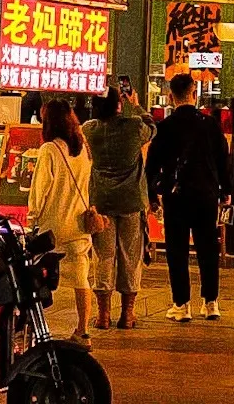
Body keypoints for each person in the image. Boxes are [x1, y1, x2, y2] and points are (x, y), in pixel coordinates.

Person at [146, 72, 230, 323]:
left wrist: (152, 195)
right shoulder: (210, 125)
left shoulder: (165, 127)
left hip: (176, 195)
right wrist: (226, 191)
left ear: (171, 96)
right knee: (207, 247)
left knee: (177, 250)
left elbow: (152, 165)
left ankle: (181, 304)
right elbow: (223, 161)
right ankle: (211, 302)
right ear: (194, 93)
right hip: (206, 193)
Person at [83, 85, 157, 330]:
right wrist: (135, 104)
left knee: (103, 256)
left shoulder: (90, 129)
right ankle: (127, 314)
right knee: (130, 256)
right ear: (118, 104)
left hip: (101, 201)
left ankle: (103, 315)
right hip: (131, 201)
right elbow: (152, 127)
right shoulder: (133, 127)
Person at [28, 99, 94, 345]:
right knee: (81, 278)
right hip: (79, 224)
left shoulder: (49, 151)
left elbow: (39, 191)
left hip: (52, 228)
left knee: (37, 280)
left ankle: (38, 331)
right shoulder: (82, 147)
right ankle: (83, 330)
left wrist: (32, 219)